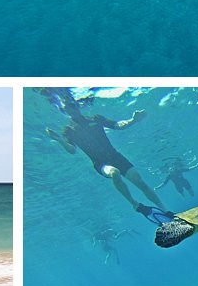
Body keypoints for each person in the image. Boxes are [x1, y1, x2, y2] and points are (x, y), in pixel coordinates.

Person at [40, 88, 172, 222]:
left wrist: (133, 120)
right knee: (114, 173)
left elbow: (117, 125)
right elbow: (71, 150)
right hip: (101, 164)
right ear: (65, 110)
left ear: (77, 105)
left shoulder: (96, 118)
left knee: (140, 182)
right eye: (67, 107)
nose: (71, 109)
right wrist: (59, 139)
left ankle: (167, 211)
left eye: (73, 105)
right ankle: (135, 204)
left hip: (116, 157)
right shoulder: (68, 130)